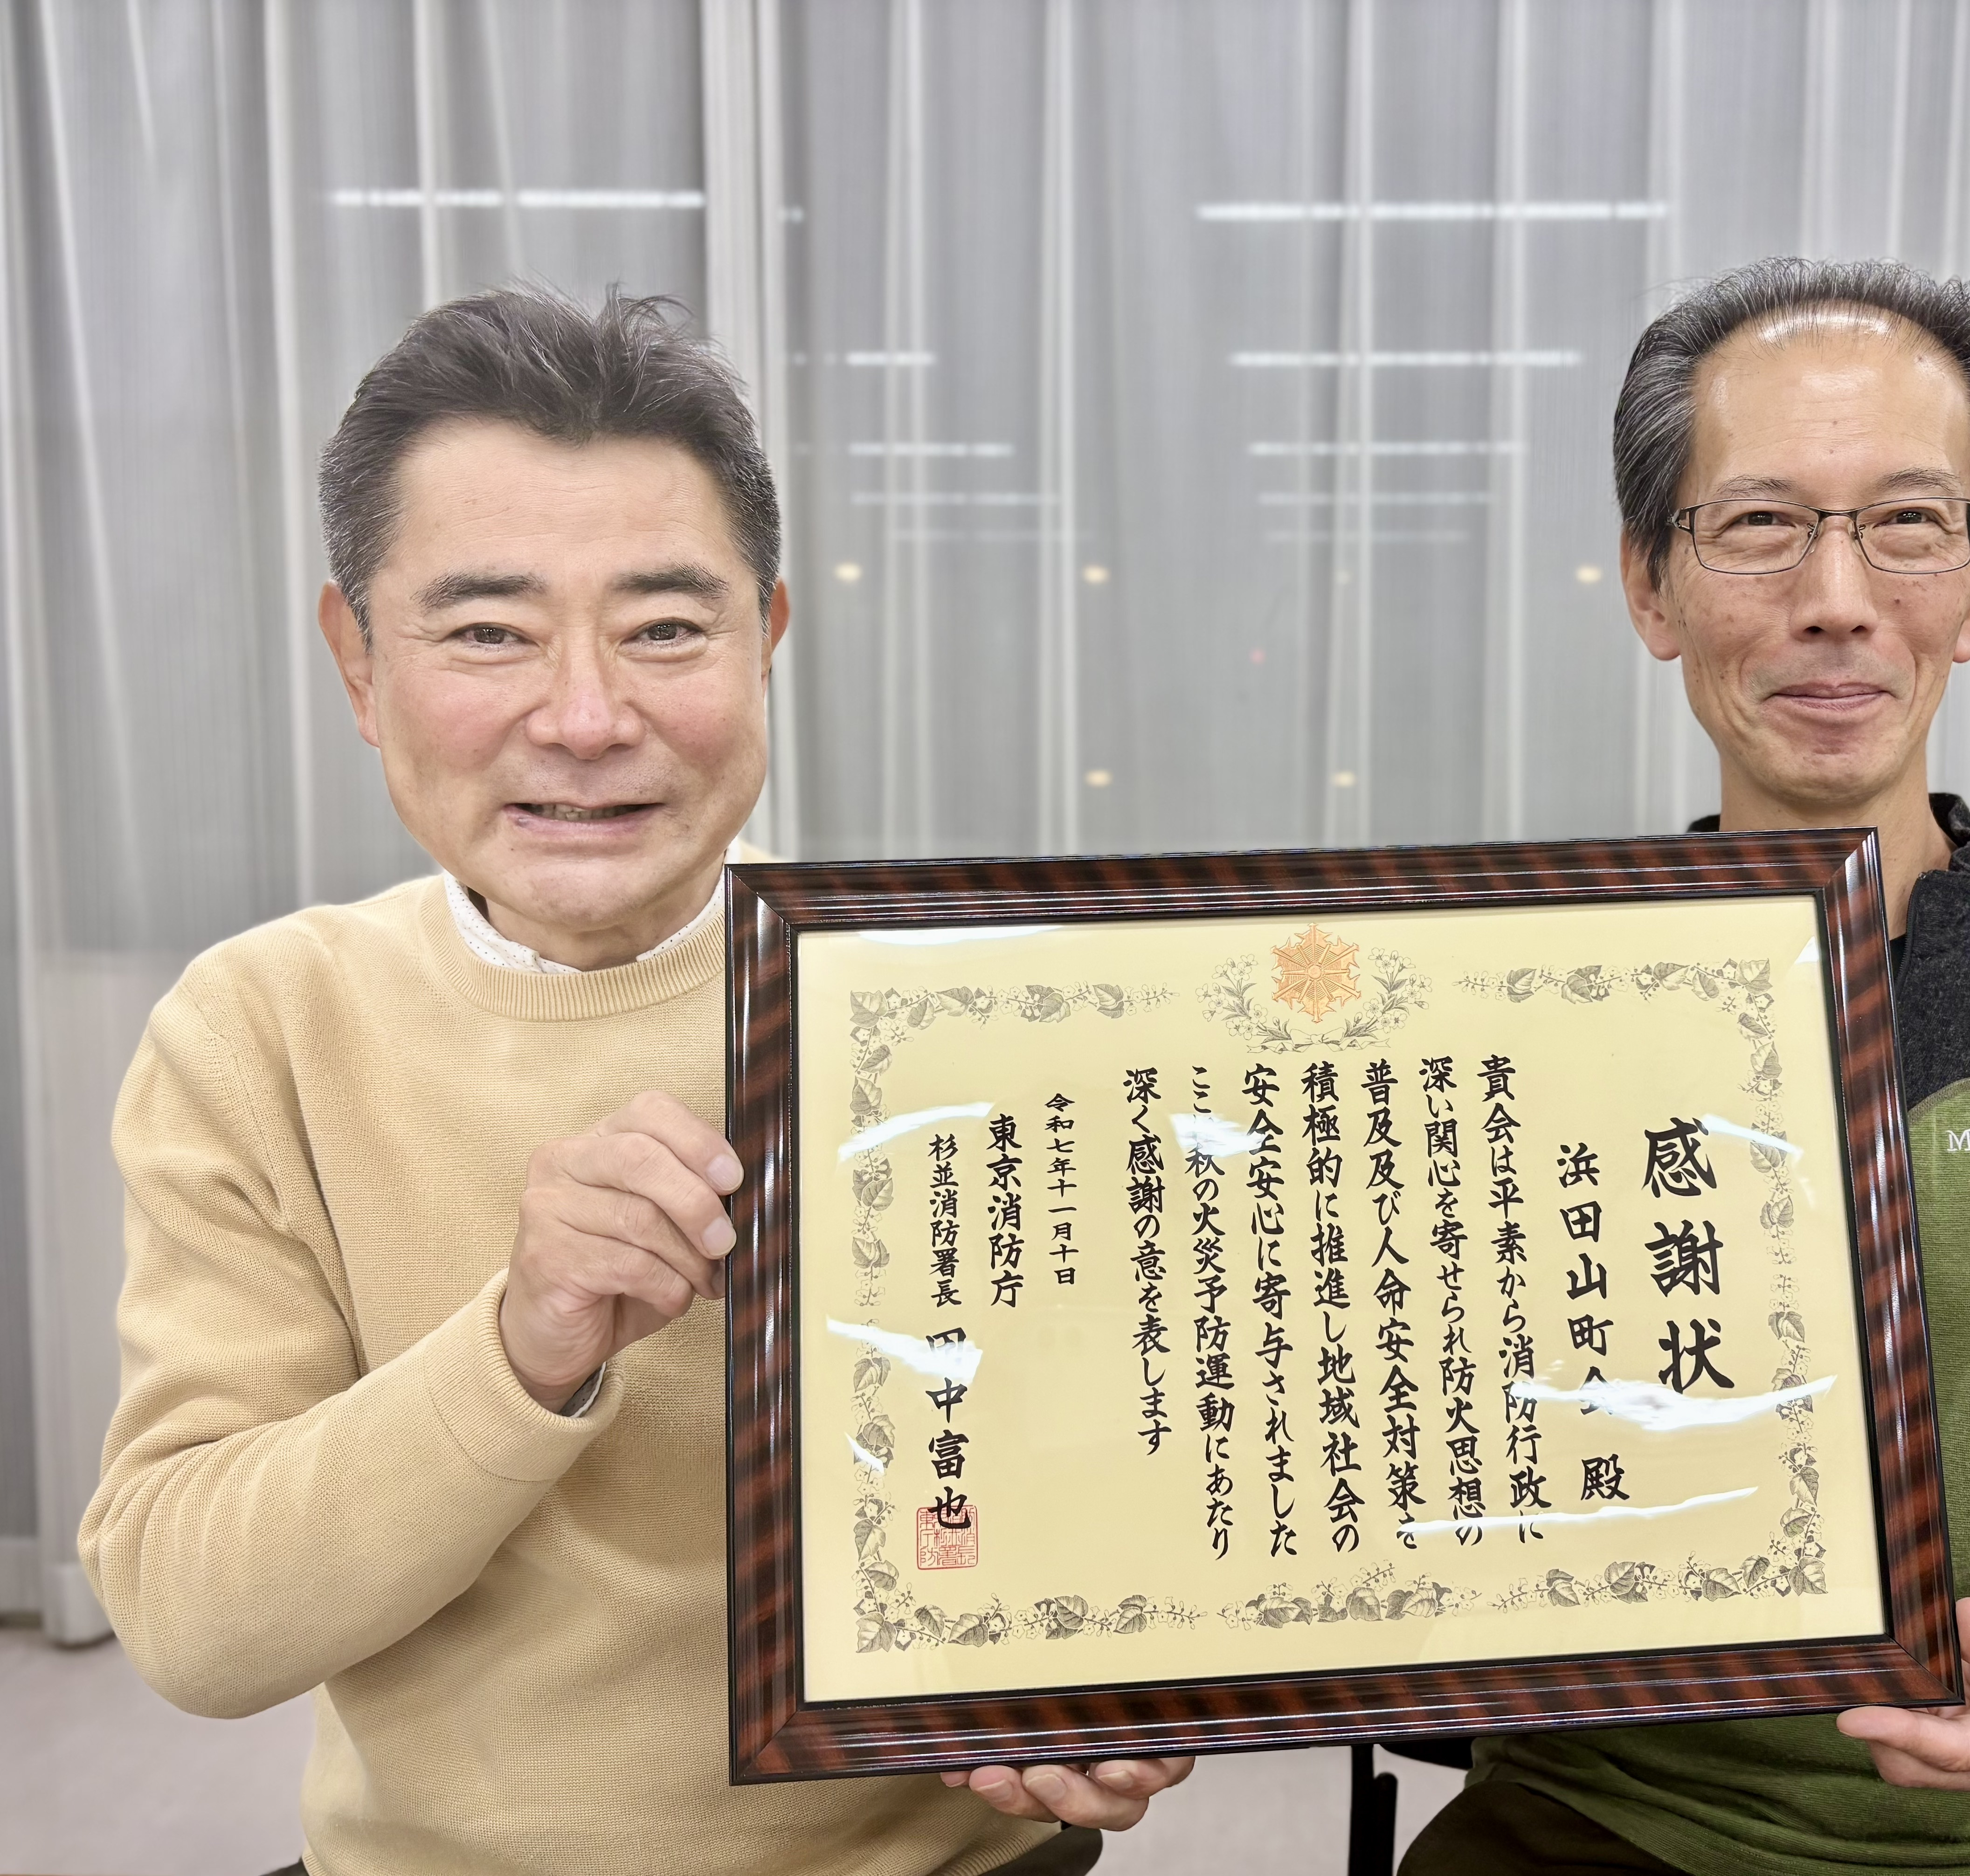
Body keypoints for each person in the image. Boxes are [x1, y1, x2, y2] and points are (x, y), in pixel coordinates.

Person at [79, 286, 1189, 1876]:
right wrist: (521, 1353)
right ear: (357, 662)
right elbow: (192, 1623)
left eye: (667, 628)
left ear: (768, 640)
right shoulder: (260, 1030)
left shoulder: (972, 1001)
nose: (587, 717)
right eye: (487, 633)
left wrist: (1130, 1697)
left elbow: (1143, 1501)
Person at [1401, 258, 1970, 1876]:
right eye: (1759, 524)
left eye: (1908, 523)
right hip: (1580, 1827)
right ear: (1651, 584)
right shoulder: (1495, 1014)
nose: (1837, 594)